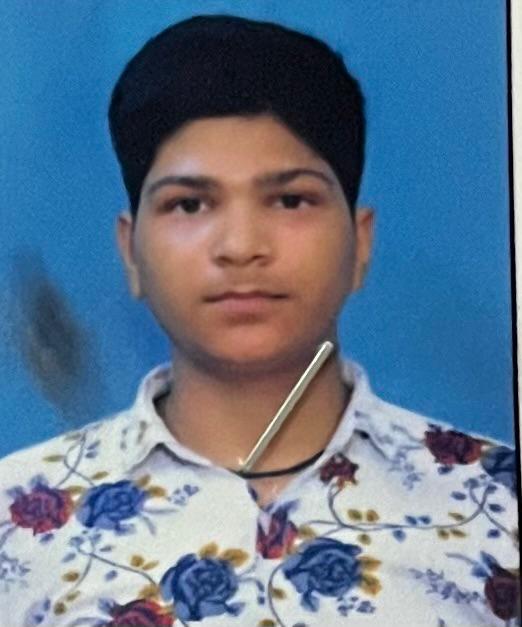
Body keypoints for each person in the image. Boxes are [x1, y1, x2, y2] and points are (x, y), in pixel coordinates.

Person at [0, 15, 518, 627]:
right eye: (189, 204)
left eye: (291, 199)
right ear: (130, 252)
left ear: (361, 244)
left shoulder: (496, 501)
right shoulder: (15, 521)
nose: (241, 246)